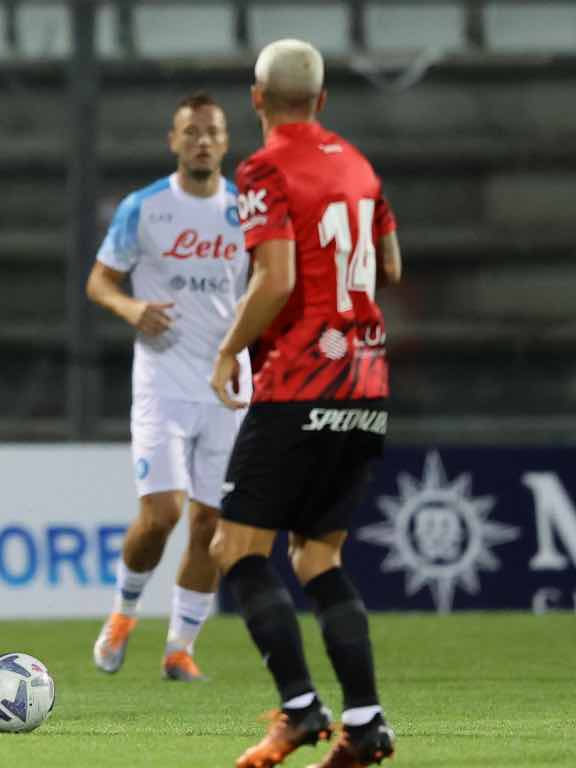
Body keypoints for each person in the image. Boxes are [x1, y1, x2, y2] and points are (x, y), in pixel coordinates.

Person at [208, 39, 402, 767]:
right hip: (366, 386)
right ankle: (366, 724)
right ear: (321, 101)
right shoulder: (358, 166)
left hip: (298, 386)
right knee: (318, 557)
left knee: (236, 548)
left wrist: (229, 349)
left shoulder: (262, 168)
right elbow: (389, 263)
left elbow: (279, 278)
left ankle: (299, 710)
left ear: (256, 99)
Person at [87, 92, 251, 682]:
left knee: (214, 525)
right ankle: (124, 612)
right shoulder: (146, 208)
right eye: (191, 132)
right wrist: (130, 308)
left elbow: (267, 287)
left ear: (226, 141)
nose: (202, 141)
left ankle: (181, 648)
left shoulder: (247, 211)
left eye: (212, 131)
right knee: (162, 513)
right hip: (161, 378)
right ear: (174, 141)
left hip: (228, 381)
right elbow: (100, 282)